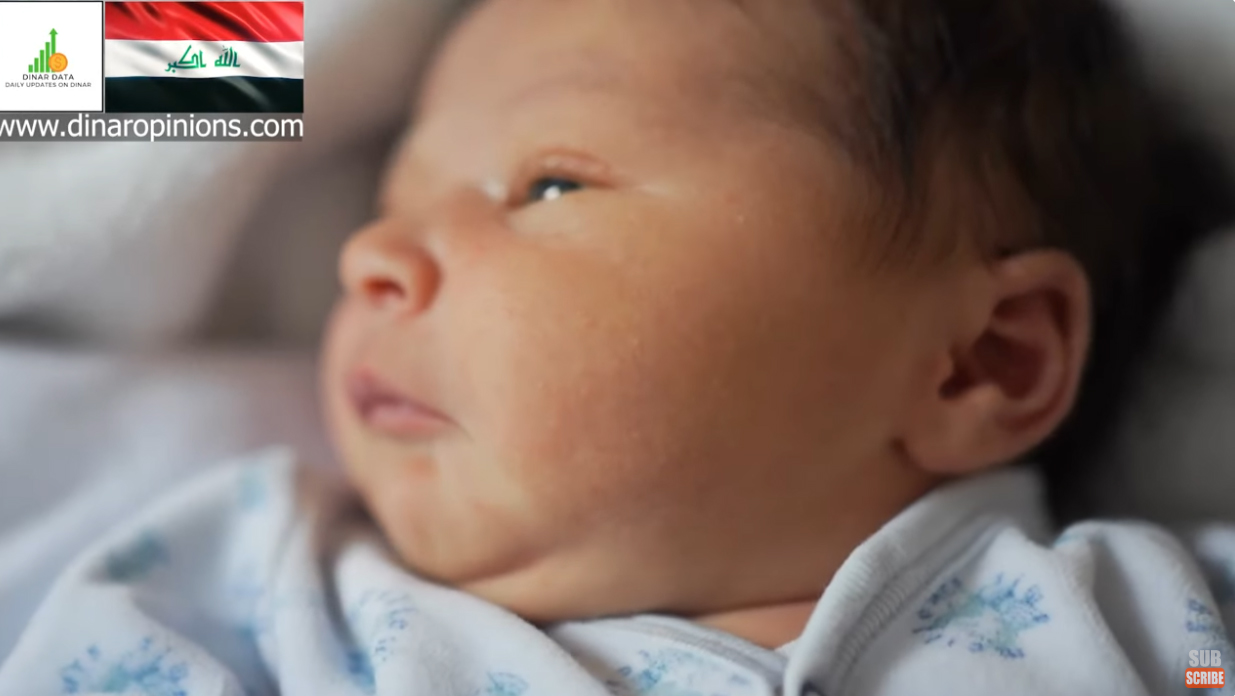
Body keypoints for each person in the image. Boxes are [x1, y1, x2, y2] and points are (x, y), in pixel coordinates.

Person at [3, 0, 1233, 694]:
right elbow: (51, 72)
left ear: (981, 361)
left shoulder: (1152, 625)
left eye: (548, 186)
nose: (367, 255)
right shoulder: (245, 594)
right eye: (388, 198)